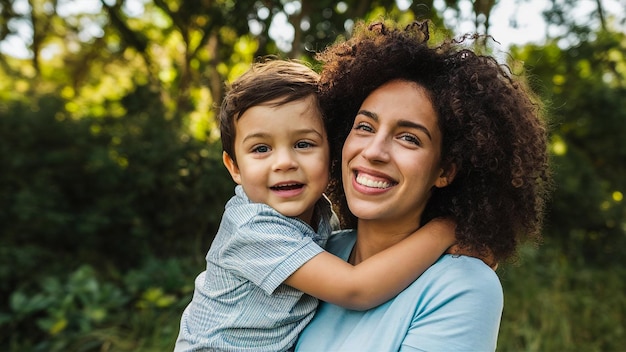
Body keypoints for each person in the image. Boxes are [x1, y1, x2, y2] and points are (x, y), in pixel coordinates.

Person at [296, 20, 552, 351]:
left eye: (408, 138)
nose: (373, 151)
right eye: (364, 127)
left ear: (444, 170)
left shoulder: (464, 286)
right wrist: (447, 229)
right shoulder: (315, 252)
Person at [174, 59, 457, 352]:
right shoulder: (253, 228)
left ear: (331, 150)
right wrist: (446, 230)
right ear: (234, 167)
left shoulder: (322, 215)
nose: (284, 162)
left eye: (304, 144)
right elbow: (355, 289)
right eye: (261, 149)